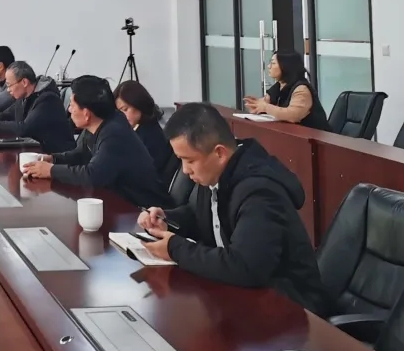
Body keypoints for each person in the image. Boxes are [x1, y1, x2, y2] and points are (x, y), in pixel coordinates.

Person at [138, 103, 333, 317]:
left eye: (190, 160)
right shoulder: (216, 174)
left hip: (292, 309)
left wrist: (174, 248)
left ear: (219, 153)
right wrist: (167, 220)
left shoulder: (259, 192)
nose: (185, 170)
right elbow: (201, 217)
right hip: (245, 297)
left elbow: (245, 267)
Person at [23, 75, 172, 208]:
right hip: (119, 201)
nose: (69, 110)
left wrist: (50, 170)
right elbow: (81, 154)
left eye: (72, 105)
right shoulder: (101, 122)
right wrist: (53, 159)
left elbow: (93, 175)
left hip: (143, 209)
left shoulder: (114, 133)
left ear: (86, 114)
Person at [0, 61, 75, 153]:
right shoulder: (25, 96)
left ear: (24, 82)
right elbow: (10, 114)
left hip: (58, 156)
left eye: (9, 85)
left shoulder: (47, 99)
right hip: (36, 150)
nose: (8, 90)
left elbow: (24, 128)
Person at [243, 51, 329, 130]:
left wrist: (265, 107)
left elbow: (293, 115)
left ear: (286, 67)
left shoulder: (301, 89)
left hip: (313, 136)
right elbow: (266, 101)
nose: (269, 66)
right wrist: (256, 106)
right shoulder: (279, 86)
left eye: (273, 63)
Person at [113, 80, 175, 179]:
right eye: (118, 111)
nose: (121, 115)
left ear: (139, 104)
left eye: (125, 109)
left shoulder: (152, 136)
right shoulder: (139, 130)